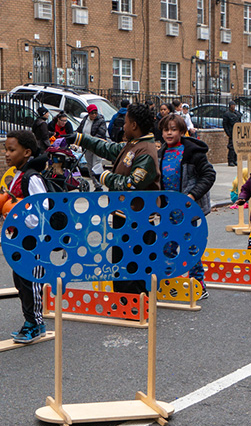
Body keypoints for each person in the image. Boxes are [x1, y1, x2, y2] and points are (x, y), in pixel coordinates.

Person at [70, 102, 160, 294]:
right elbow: (108, 148)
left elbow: (131, 183)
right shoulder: (134, 145)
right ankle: (125, 303)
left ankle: (137, 305)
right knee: (121, 261)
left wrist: (105, 176)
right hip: (124, 215)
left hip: (138, 218)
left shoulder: (146, 152)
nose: (123, 126)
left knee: (134, 263)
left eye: (125, 122)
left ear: (134, 125)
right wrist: (79, 138)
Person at [0, 130, 48, 343]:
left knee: (31, 281)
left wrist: (19, 216)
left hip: (33, 241)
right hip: (18, 240)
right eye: (6, 149)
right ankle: (31, 321)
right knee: (20, 281)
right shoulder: (16, 175)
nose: (6, 153)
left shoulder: (32, 177)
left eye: (11, 149)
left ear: (27, 152)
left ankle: (35, 323)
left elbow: (43, 208)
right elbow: (9, 207)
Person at [157, 114, 216, 297]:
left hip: (188, 210)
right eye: (166, 129)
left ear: (182, 131)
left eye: (173, 129)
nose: (169, 133)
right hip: (168, 211)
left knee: (190, 247)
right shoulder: (161, 153)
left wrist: (191, 196)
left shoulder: (192, 152)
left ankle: (198, 284)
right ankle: (169, 283)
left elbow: (208, 175)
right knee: (167, 248)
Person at [79, 104, 108, 189]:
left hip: (96, 146)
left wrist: (91, 140)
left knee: (97, 164)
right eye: (92, 113)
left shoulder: (101, 121)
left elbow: (101, 133)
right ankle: (96, 184)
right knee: (89, 166)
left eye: (95, 113)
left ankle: (100, 183)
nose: (94, 115)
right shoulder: (85, 120)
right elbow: (80, 130)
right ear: (88, 113)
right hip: (87, 147)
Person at [223, 101, 242, 166]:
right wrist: (228, 133)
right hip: (231, 132)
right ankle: (230, 160)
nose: (233, 106)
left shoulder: (237, 113)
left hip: (237, 132)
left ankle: (235, 160)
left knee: (237, 146)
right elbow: (225, 124)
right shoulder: (227, 114)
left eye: (234, 105)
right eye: (232, 105)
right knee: (231, 147)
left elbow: (240, 122)